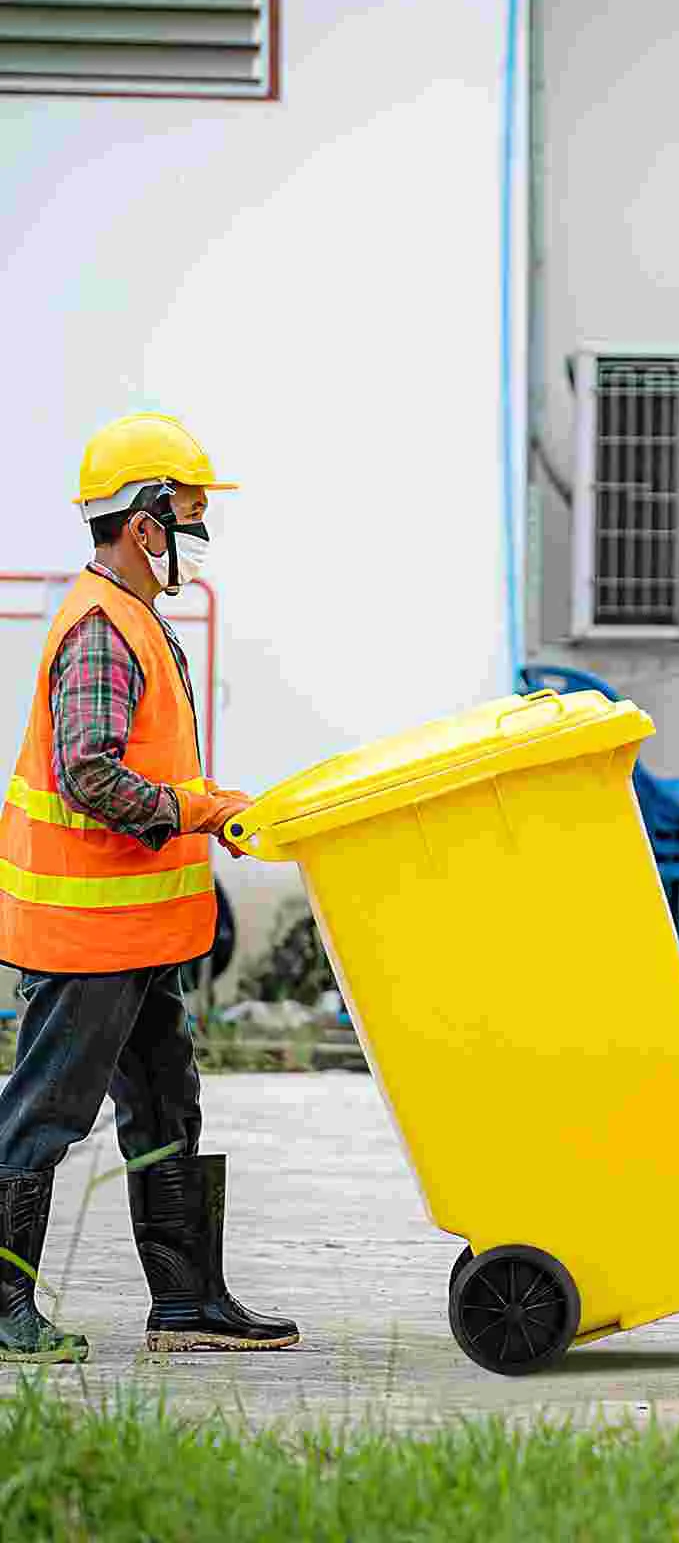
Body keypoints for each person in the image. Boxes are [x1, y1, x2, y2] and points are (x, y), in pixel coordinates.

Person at [0, 413, 297, 1363]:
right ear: (143, 523)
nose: (201, 536)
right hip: (87, 939)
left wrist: (204, 814)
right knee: (44, 1114)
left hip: (142, 936)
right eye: (192, 513)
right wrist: (200, 811)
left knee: (168, 1108)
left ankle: (187, 1304)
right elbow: (90, 776)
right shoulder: (100, 631)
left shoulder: (138, 620)